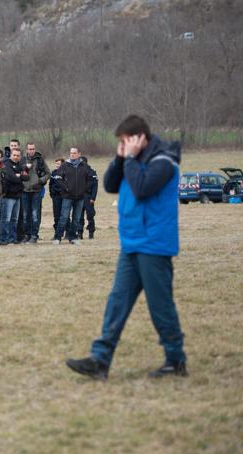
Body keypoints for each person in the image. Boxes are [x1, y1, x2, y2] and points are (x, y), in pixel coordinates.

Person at [67, 115, 187, 380]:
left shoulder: (164, 161)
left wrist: (131, 159)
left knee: (160, 306)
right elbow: (110, 185)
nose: (122, 145)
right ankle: (100, 359)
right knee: (117, 302)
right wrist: (122, 158)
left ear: (140, 138)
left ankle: (175, 359)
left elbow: (143, 188)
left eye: (125, 141)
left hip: (154, 245)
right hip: (131, 243)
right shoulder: (133, 160)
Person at [53, 147, 93, 245]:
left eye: (74, 153)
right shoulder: (65, 165)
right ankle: (57, 237)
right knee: (64, 217)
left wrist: (84, 189)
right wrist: (66, 188)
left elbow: (91, 179)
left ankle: (73, 237)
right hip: (67, 196)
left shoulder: (84, 166)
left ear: (79, 154)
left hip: (80, 197)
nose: (72, 155)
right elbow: (58, 178)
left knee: (76, 218)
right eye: (71, 153)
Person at [21, 143, 50, 243]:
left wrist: (40, 180)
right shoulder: (22, 159)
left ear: (35, 149)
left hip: (36, 191)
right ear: (27, 149)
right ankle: (26, 235)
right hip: (24, 191)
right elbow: (18, 172)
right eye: (29, 149)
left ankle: (34, 235)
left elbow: (48, 173)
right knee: (25, 215)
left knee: (35, 215)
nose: (31, 151)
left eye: (33, 149)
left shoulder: (40, 160)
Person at [0, 148, 28, 245]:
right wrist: (20, 176)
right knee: (6, 218)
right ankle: (4, 239)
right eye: (14, 155)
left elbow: (26, 177)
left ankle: (13, 238)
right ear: (11, 155)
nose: (16, 157)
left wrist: (18, 175)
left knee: (14, 219)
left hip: (18, 195)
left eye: (18, 155)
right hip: (8, 196)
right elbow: (10, 177)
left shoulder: (20, 165)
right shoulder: (6, 164)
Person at [80, 156, 98, 240]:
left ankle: (91, 232)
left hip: (88, 197)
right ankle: (79, 233)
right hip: (79, 196)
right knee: (79, 216)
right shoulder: (76, 172)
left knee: (90, 215)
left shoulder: (92, 172)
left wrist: (93, 198)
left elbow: (95, 186)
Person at [49, 158, 66, 236]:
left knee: (65, 215)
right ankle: (57, 233)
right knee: (56, 215)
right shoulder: (53, 173)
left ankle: (68, 233)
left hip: (64, 196)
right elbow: (51, 184)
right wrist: (52, 193)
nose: (57, 165)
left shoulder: (66, 173)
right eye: (56, 164)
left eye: (58, 164)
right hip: (55, 197)